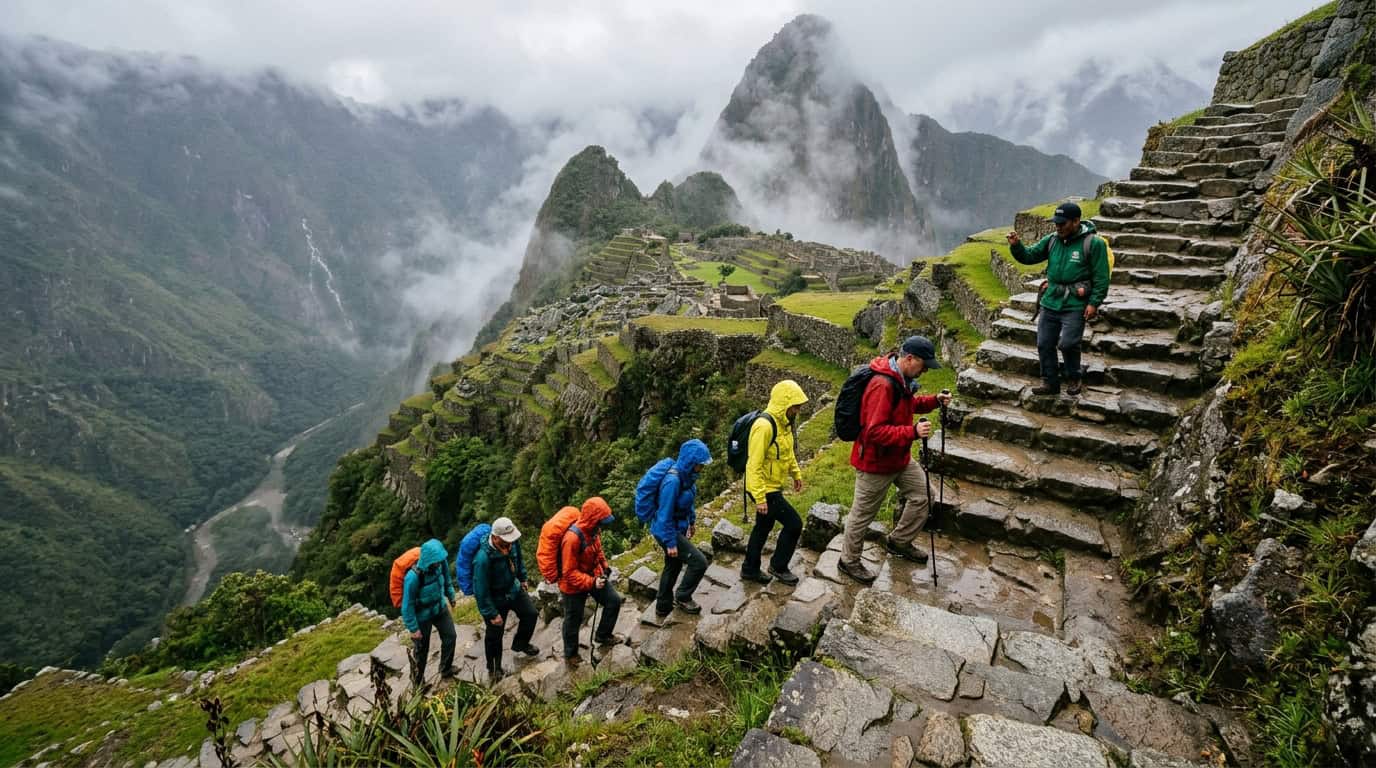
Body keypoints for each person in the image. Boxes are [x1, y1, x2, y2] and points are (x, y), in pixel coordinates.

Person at [839, 336, 953, 584]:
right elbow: (873, 432)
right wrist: (911, 433)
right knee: (862, 515)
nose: (924, 371)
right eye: (923, 365)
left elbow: (908, 405)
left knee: (924, 495)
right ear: (909, 358)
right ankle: (848, 560)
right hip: (875, 463)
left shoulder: (901, 380)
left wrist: (934, 401)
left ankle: (899, 541)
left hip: (898, 458)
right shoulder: (883, 384)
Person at [1005, 201, 1111, 397]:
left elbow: (1102, 277)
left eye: (1062, 223)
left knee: (1068, 344)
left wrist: (1094, 303)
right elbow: (1029, 256)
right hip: (1051, 300)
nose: (1058, 227)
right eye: (1056, 223)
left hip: (1075, 303)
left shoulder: (1093, 244)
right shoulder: (1052, 240)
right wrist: (1016, 246)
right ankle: (1050, 382)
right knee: (1044, 343)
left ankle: (1073, 377)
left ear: (1076, 221)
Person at [741, 380, 809, 585]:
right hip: (764, 488)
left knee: (763, 527)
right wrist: (760, 497)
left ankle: (750, 569)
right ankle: (778, 566)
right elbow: (754, 464)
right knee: (794, 524)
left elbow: (787, 453)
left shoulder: (784, 424)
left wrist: (796, 474)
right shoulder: (764, 426)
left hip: (772, 485)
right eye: (795, 406)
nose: (797, 410)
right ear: (784, 404)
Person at [558, 497, 624, 666]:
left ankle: (603, 635)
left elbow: (598, 548)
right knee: (574, 619)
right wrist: (592, 583)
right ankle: (570, 654)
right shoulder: (571, 539)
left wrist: (604, 565)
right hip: (572, 585)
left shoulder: (594, 530)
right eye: (600, 521)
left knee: (613, 601)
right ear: (593, 519)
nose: (602, 525)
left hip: (593, 575)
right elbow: (568, 573)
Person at [471, 517, 540, 680]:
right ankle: (494, 668)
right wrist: (491, 613)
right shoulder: (482, 559)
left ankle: (521, 644)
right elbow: (480, 590)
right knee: (495, 634)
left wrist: (522, 578)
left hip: (513, 588)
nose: (509, 546)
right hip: (495, 598)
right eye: (504, 543)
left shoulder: (512, 542)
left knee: (531, 614)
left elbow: (519, 561)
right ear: (495, 537)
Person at [652, 438, 712, 617]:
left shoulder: (688, 477)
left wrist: (692, 522)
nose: (702, 468)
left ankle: (662, 606)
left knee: (673, 565)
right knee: (699, 562)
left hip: (676, 528)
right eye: (700, 464)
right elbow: (665, 515)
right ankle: (683, 596)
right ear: (690, 462)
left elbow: (688, 503)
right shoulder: (673, 482)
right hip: (666, 531)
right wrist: (670, 543)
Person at [400, 538, 458, 684]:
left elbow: (447, 579)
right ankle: (418, 684)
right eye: (436, 561)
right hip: (422, 617)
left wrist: (451, 595)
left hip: (439, 608)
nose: (439, 563)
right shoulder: (412, 578)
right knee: (421, 651)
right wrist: (413, 628)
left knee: (450, 636)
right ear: (428, 560)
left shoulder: (441, 562)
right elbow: (407, 606)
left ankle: (445, 669)